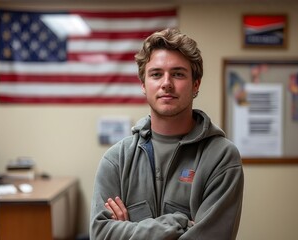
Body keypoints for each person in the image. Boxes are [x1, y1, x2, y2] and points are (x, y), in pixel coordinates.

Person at [90, 28, 244, 240]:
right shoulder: (117, 160)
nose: (166, 83)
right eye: (156, 74)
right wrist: (176, 224)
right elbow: (100, 234)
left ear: (195, 84)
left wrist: (126, 231)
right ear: (144, 85)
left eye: (178, 74)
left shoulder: (221, 157)